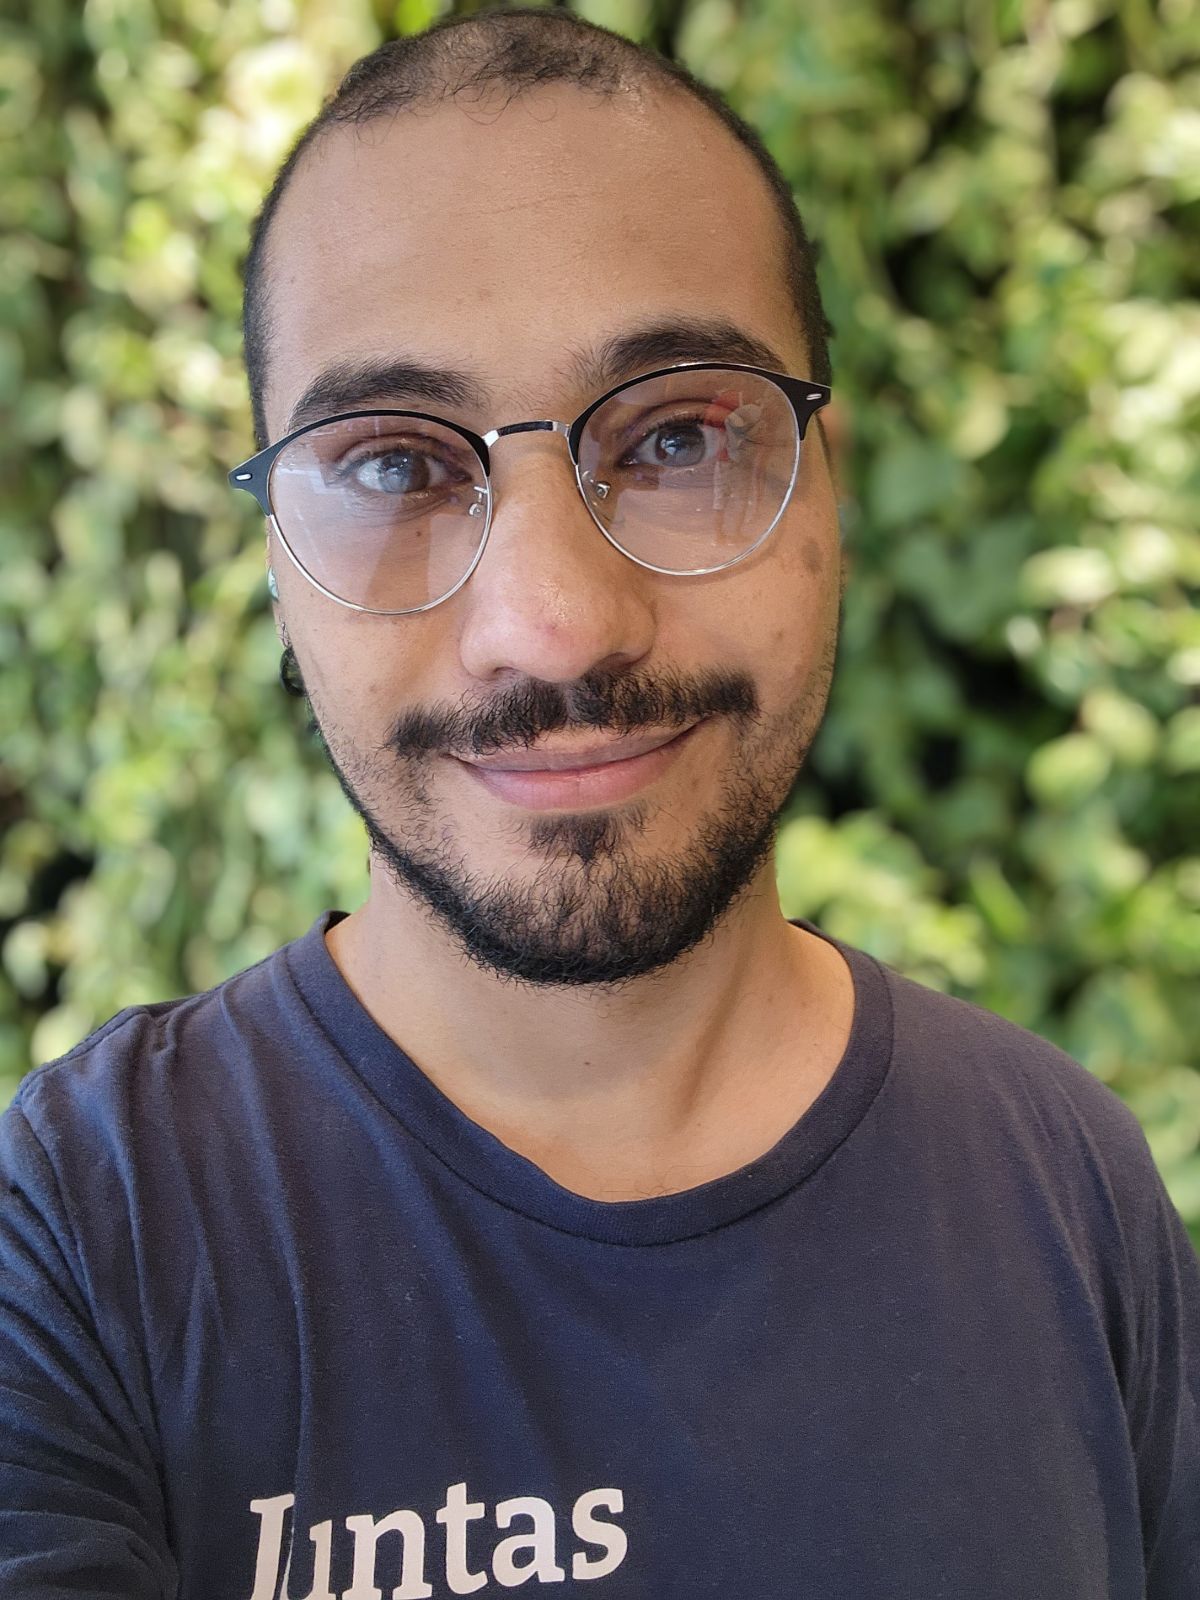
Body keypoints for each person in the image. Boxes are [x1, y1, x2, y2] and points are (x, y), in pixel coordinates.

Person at [1, 8, 1196, 1597]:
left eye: (679, 436)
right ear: (277, 561)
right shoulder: (77, 1243)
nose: (553, 624)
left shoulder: (1070, 1184)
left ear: (823, 492)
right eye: (392, 467)